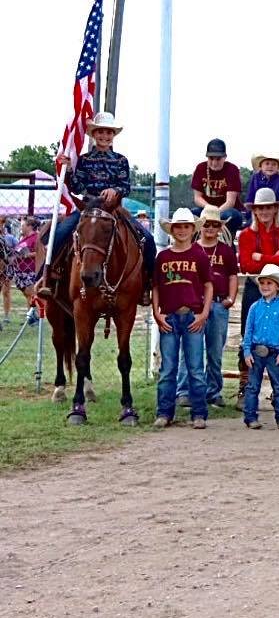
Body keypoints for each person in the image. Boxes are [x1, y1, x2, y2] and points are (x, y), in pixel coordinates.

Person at [39, 112, 155, 302]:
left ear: (113, 135)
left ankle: (147, 284)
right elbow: (76, 186)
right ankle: (48, 277)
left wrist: (114, 189)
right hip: (88, 207)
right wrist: (68, 169)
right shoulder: (84, 160)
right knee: (60, 233)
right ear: (94, 134)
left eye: (108, 132)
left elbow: (126, 186)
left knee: (147, 238)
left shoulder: (121, 161)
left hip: (113, 209)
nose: (104, 136)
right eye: (100, 132)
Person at [152, 208, 215, 429]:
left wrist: (204, 312)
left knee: (196, 367)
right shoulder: (163, 257)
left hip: (192, 316)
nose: (182, 230)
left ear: (192, 229)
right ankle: (164, 412)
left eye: (186, 226)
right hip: (169, 317)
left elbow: (208, 285)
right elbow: (157, 287)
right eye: (178, 226)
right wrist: (156, 312)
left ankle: (199, 413)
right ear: (172, 229)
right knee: (167, 368)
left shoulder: (199, 255)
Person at [235, 188, 279, 400]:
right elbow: (245, 264)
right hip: (254, 285)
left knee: (278, 336)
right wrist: (274, 258)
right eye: (261, 208)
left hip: (277, 286)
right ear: (255, 210)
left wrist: (261, 257)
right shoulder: (246, 235)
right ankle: (246, 386)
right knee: (248, 333)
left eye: (268, 207)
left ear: (275, 209)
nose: (265, 211)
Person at [177, 208, 237, 410]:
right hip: (196, 304)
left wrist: (231, 297)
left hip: (219, 303)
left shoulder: (226, 251)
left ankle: (213, 391)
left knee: (215, 349)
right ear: (200, 227)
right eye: (207, 224)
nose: (210, 228)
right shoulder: (192, 249)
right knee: (190, 348)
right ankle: (184, 391)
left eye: (215, 225)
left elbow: (232, 276)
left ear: (220, 228)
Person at [239, 264, 279, 431]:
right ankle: (250, 417)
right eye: (262, 283)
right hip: (256, 350)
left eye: (269, 283)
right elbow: (248, 331)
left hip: (275, 352)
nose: (264, 286)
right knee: (252, 385)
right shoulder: (255, 307)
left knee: (278, 385)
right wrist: (247, 351)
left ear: (278, 286)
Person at [190, 138, 244, 232]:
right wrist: (209, 208)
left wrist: (215, 213)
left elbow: (230, 202)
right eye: (211, 158)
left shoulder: (232, 169)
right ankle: (195, 244)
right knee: (190, 215)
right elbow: (197, 198)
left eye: (218, 159)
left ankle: (226, 242)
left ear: (225, 157)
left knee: (228, 216)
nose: (214, 163)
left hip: (227, 210)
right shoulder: (200, 168)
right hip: (206, 209)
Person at [244, 152, 279, 225]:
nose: (270, 166)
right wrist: (249, 215)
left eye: (274, 164)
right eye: (267, 163)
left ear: (278, 167)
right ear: (260, 166)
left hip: (277, 215)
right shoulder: (255, 178)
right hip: (258, 214)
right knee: (248, 228)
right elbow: (250, 197)